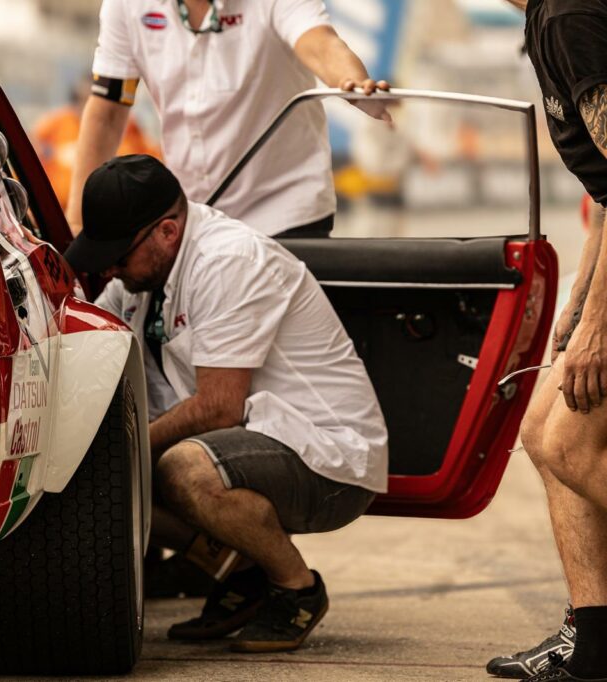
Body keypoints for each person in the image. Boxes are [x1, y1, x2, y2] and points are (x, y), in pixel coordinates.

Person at [65, 154, 388, 652]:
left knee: (175, 468)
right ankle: (243, 571)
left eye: (118, 256)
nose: (109, 269)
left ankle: (295, 589)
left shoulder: (228, 260)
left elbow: (219, 408)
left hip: (326, 460)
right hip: (251, 447)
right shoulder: (141, 279)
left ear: (167, 233)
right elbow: (87, 341)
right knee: (119, 470)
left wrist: (111, 452)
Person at [485, 1, 607, 681]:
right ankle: (593, 639)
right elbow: (604, 196)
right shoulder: (545, 18)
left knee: (571, 440)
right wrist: (581, 304)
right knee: (542, 429)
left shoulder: (567, 14)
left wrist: (598, 329)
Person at [64, 0, 390, 239]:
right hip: (194, 215)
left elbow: (320, 43)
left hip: (286, 209)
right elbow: (107, 111)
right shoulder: (126, 6)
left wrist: (351, 81)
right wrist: (78, 224)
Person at [32, 76, 159, 211]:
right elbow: (31, 163)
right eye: (84, 101)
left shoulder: (127, 127)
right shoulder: (54, 126)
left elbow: (151, 166)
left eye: (100, 104)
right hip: (60, 215)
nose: (91, 110)